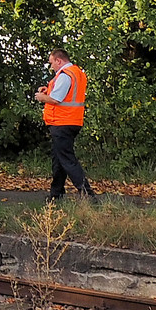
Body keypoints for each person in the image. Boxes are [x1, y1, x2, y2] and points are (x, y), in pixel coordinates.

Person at [34, 47, 96, 202]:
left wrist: (42, 97)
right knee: (59, 160)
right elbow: (66, 94)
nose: (51, 66)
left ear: (59, 60)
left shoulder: (65, 75)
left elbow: (56, 99)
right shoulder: (77, 73)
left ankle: (88, 195)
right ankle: (56, 195)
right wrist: (47, 90)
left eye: (52, 63)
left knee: (67, 160)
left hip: (62, 122)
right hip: (72, 121)